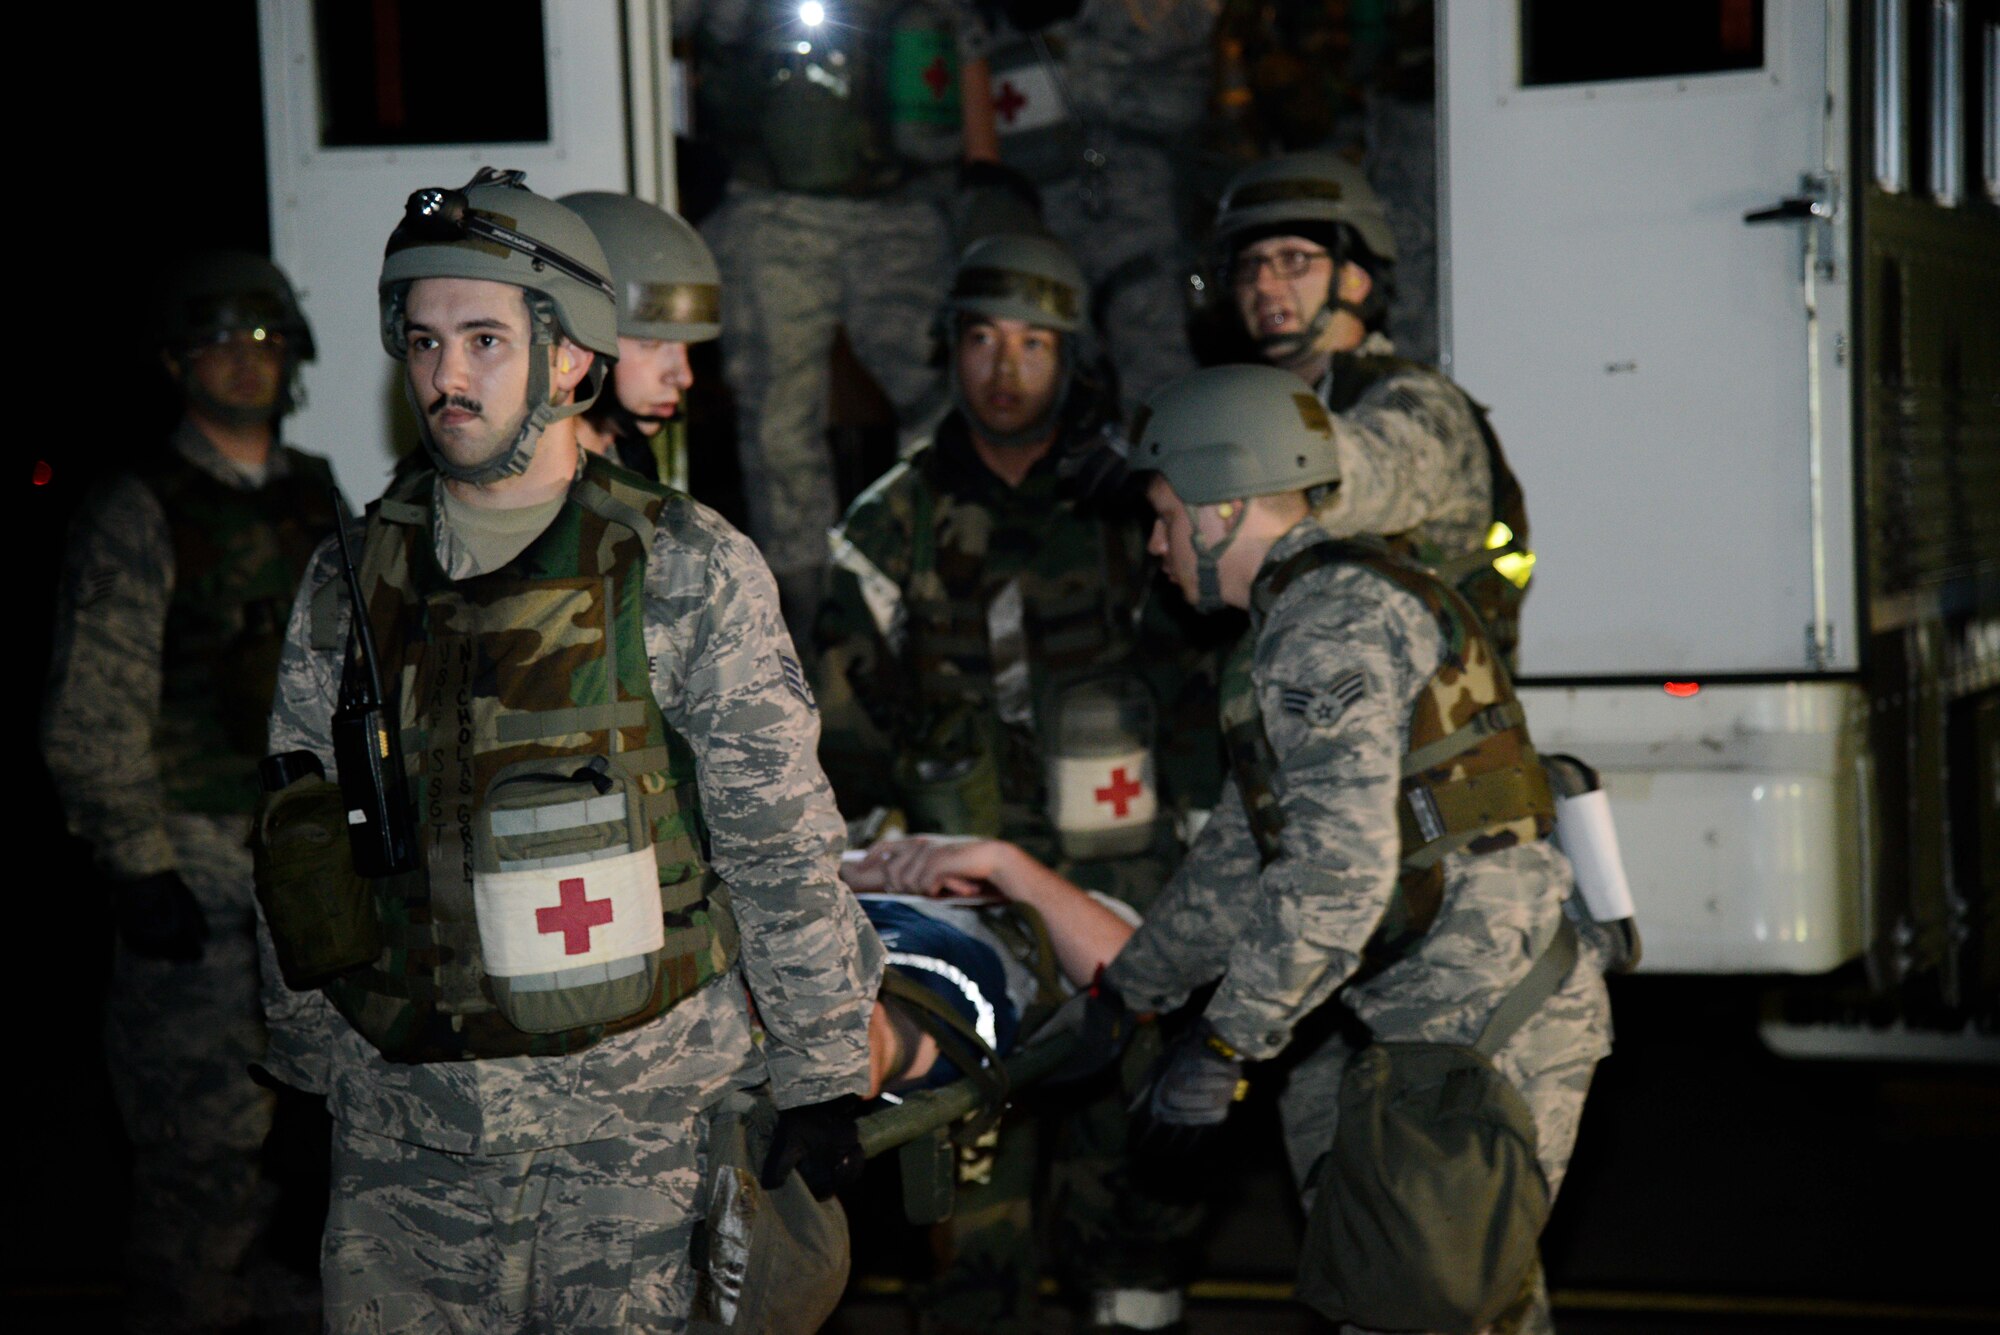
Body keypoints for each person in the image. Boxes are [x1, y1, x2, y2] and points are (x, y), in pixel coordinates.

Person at [251, 168, 882, 1331]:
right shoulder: (349, 580)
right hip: (406, 1135)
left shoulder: (684, 564)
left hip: (629, 1136)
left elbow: (780, 838)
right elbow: (299, 844)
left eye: (486, 339)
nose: (447, 374)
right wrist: (301, 1073)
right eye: (426, 340)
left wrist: (823, 1071)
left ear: (573, 358)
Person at [1105, 363, 1612, 1334]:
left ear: (1220, 513)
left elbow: (1336, 878)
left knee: (1413, 1311)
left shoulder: (1324, 624)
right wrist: (1131, 989)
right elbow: (1238, 847)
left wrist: (1222, 1046)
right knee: (1462, 1307)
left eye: (1164, 514)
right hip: (1453, 1015)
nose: (1155, 542)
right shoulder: (1318, 606)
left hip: (1477, 1028)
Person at [814, 230, 1218, 1335]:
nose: (1004, 367)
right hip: (969, 915)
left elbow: (1195, 692)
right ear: (948, 351)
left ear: (1070, 356)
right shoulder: (884, 524)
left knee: (1131, 1225)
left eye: (1032, 342)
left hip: (1119, 903)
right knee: (965, 1227)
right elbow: (842, 732)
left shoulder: (1131, 510)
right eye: (982, 340)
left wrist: (1199, 874)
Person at [42, 250, 339, 1332]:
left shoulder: (315, 492)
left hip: (306, 855)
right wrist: (134, 861)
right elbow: (92, 702)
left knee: (301, 1120)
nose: (245, 360)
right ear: (175, 362)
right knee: (196, 1132)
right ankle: (186, 1304)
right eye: (218, 341)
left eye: (263, 339)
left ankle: (241, 1288)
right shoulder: (139, 508)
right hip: (196, 858)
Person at [679, 0, 992, 643]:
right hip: (773, 206)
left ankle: (942, 589)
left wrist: (988, 181)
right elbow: (668, 33)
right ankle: (809, 620)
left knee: (944, 399)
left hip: (900, 207)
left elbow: (965, 53)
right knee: (778, 422)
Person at [1212, 150, 1535, 665]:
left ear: (1355, 278)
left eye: (1294, 260)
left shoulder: (1418, 402)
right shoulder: (1280, 400)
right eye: (1250, 265)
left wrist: (1210, 439)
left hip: (1425, 716)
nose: (1265, 284)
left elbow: (1364, 476)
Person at [970, 0, 1220, 405]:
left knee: (1159, 382)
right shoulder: (974, 21)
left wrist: (1080, 28)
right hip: (1030, 231)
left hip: (1137, 225)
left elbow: (1185, 76)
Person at [841, 837, 1137, 1096]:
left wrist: (1003, 862)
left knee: (865, 1024)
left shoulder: (1061, 914)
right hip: (852, 913)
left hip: (936, 964)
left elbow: (1138, 978)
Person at [560, 190, 719, 489]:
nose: (683, 377)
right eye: (652, 344)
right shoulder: (516, 493)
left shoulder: (629, 467)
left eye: (688, 350)